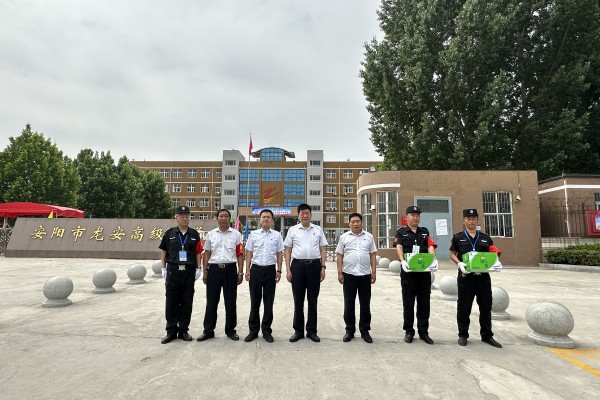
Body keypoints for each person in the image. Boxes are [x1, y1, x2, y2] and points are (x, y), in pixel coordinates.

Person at [449, 208, 502, 348]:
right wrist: (459, 263)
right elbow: (452, 253)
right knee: (464, 307)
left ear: (477, 220)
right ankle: (463, 335)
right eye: (468, 219)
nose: (471, 221)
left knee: (486, 306)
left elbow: (493, 252)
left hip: (483, 278)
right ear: (464, 221)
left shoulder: (485, 237)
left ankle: (487, 335)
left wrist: (496, 262)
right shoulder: (458, 237)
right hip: (466, 277)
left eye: (473, 219)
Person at [197, 209, 244, 341]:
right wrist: (205, 271)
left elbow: (240, 254)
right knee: (211, 301)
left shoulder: (236, 234)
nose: (223, 218)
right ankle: (208, 330)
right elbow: (207, 253)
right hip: (214, 270)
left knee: (230, 302)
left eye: (226, 216)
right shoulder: (211, 234)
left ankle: (230, 330)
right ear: (217, 218)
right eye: (221, 216)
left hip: (230, 270)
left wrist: (240, 272)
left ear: (229, 218)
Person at [159, 205, 203, 344]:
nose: (185, 218)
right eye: (181, 216)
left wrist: (199, 268)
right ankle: (171, 331)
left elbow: (198, 253)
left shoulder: (194, 234)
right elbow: (163, 252)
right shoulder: (169, 233)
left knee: (186, 302)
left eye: (187, 216)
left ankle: (184, 330)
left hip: (188, 272)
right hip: (173, 271)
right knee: (171, 302)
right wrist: (163, 268)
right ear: (176, 218)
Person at [284, 203, 328, 342]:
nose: (305, 215)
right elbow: (288, 250)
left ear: (311, 215)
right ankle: (298, 331)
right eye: (302, 213)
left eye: (307, 213)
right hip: (297, 266)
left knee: (312, 300)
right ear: (298, 216)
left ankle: (311, 331)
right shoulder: (292, 230)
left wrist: (323, 267)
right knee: (298, 300)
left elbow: (322, 249)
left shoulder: (318, 230)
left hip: (314, 266)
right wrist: (288, 269)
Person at [394, 205, 437, 345]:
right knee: (408, 303)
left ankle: (424, 332)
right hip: (408, 273)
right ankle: (409, 331)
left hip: (423, 273)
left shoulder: (424, 231)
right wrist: (402, 261)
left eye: (417, 215)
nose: (415, 218)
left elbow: (430, 246)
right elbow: (399, 246)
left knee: (424, 303)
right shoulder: (401, 232)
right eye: (412, 215)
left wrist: (433, 259)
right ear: (407, 217)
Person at [244, 209, 285, 343]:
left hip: (270, 270)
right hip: (255, 270)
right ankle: (253, 331)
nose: (266, 219)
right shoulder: (253, 234)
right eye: (263, 217)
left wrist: (279, 270)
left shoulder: (277, 235)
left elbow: (279, 253)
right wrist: (247, 269)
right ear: (260, 220)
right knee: (255, 302)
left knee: (268, 302)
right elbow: (249, 252)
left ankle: (267, 331)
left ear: (272, 220)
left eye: (268, 217)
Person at [336, 212, 377, 343]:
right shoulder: (344, 237)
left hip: (365, 275)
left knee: (365, 304)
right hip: (349, 275)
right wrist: (339, 272)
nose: (355, 224)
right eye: (353, 221)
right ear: (349, 223)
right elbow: (339, 255)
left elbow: (372, 254)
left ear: (362, 223)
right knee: (349, 303)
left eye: (357, 221)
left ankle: (365, 331)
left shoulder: (369, 237)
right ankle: (349, 331)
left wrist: (374, 272)